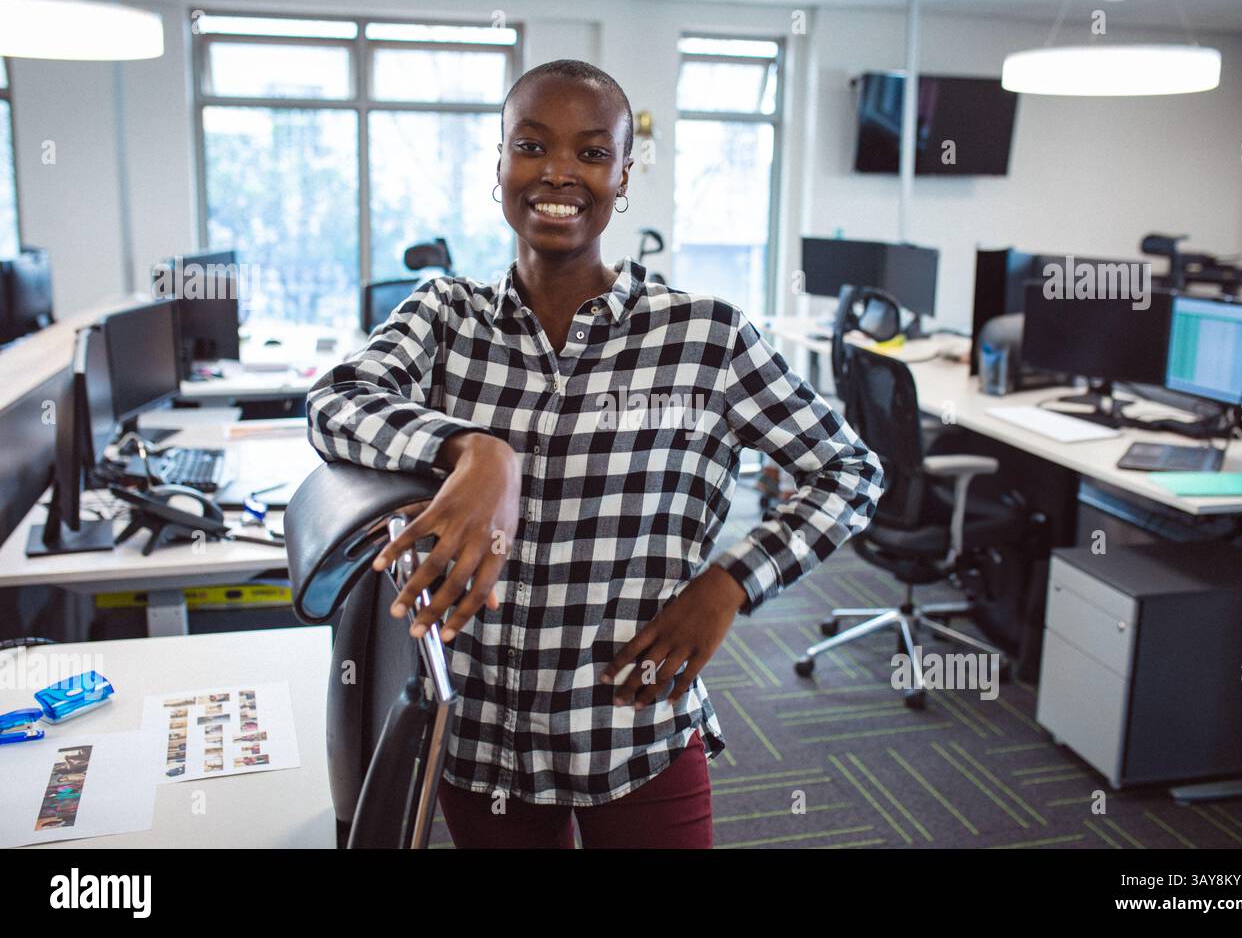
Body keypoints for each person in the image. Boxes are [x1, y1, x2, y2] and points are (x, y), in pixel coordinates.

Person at [306, 59, 884, 849]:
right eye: (531, 146)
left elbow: (849, 472)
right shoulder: (445, 316)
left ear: (622, 173)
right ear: (499, 164)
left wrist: (727, 587)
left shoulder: (704, 338)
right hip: (482, 741)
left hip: (632, 725)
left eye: (589, 152)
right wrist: (476, 452)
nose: (557, 173)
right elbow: (335, 402)